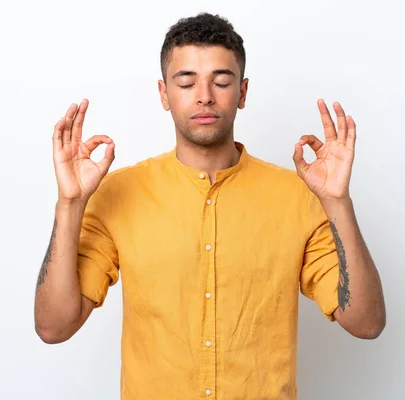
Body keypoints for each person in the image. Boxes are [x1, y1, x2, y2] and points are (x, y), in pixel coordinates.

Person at [34, 12, 386, 400]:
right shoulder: (119, 192)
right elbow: (54, 328)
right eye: (186, 82)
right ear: (164, 94)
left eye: (221, 81)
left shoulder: (299, 196)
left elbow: (366, 323)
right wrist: (69, 204)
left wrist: (337, 202)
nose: (204, 95)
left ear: (243, 92)